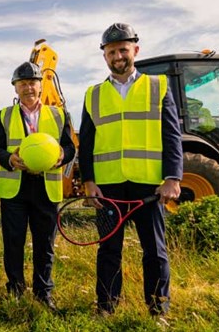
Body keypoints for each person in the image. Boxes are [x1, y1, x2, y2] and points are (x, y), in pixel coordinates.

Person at [79, 23, 182, 317]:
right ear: (105, 56)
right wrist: (88, 182)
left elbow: (171, 134)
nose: (118, 55)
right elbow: (86, 144)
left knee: (155, 251)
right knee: (109, 250)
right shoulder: (93, 94)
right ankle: (106, 307)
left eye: (123, 49)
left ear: (135, 50)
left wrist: (173, 177)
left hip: (149, 186)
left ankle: (158, 310)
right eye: (111, 51)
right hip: (109, 187)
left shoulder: (157, 86)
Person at [0, 61, 75, 310]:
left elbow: (70, 147)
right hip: (15, 187)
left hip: (46, 186)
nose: (28, 87)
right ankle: (15, 289)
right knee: (13, 241)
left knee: (45, 243)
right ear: (15, 88)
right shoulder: (4, 115)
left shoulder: (59, 115)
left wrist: (62, 154)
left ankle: (43, 292)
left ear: (41, 86)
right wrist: (9, 159)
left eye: (32, 82)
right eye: (22, 83)